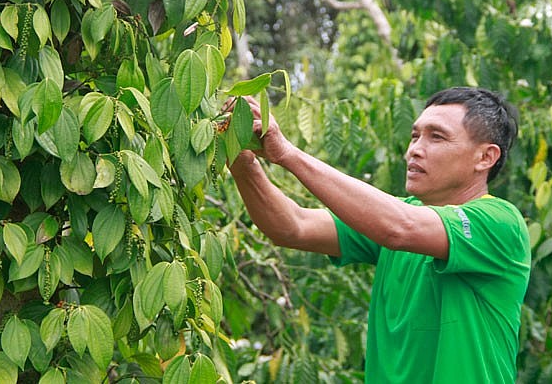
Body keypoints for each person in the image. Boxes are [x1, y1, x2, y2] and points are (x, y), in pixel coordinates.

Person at [227, 87, 531, 383]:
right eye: (414, 136)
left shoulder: (500, 223)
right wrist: (241, 161)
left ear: (485, 157)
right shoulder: (397, 216)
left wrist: (288, 154)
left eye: (436, 137)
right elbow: (293, 226)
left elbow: (400, 227)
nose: (414, 150)